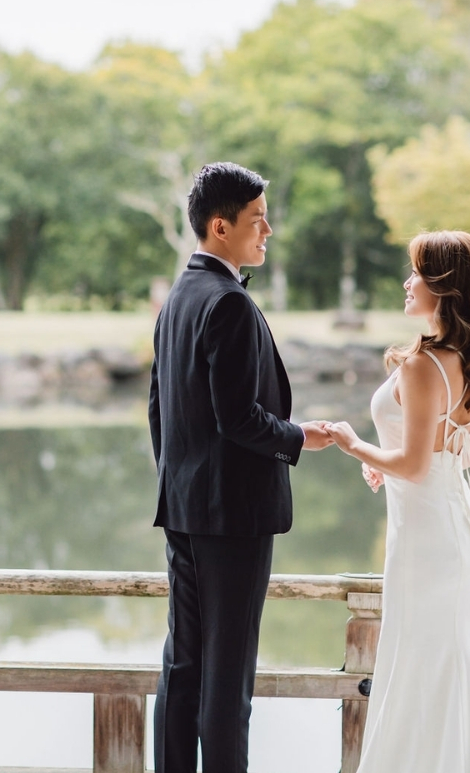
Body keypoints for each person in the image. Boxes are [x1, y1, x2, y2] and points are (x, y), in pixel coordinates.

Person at [324, 230, 470, 772]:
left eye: (418, 273)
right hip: (455, 537)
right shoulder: (468, 360)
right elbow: (461, 453)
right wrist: (393, 467)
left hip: (429, 547)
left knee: (428, 672)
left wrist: (353, 443)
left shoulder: (422, 365)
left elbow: (414, 463)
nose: (408, 283)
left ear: (445, 286)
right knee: (448, 668)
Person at [148, 162, 334, 773]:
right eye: (258, 219)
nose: (268, 230)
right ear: (221, 226)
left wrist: (181, 484)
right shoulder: (226, 301)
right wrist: (299, 437)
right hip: (230, 517)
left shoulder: (179, 295)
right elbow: (238, 417)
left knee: (183, 664)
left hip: (185, 508)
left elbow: (160, 411)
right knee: (228, 678)